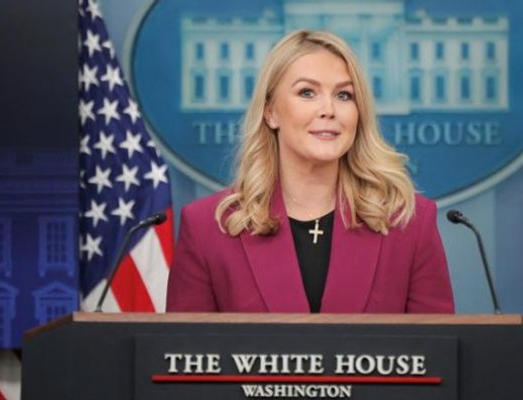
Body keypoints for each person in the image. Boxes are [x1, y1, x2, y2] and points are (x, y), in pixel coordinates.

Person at [166, 30, 454, 313]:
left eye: (344, 95)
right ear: (271, 112)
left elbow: (435, 343)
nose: (329, 109)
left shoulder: (409, 223)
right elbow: (188, 344)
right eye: (307, 93)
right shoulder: (206, 228)